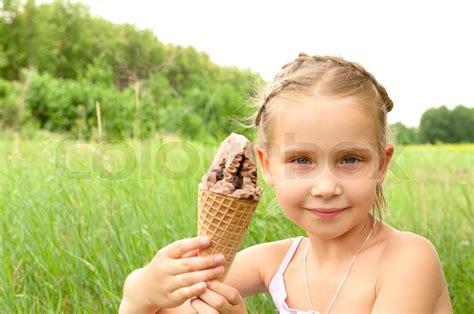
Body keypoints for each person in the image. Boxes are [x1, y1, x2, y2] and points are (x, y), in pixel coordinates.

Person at [119, 53, 452, 313]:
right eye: (301, 161)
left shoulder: (408, 260)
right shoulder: (276, 261)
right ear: (267, 166)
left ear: (381, 164)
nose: (325, 187)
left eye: (350, 159)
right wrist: (140, 292)